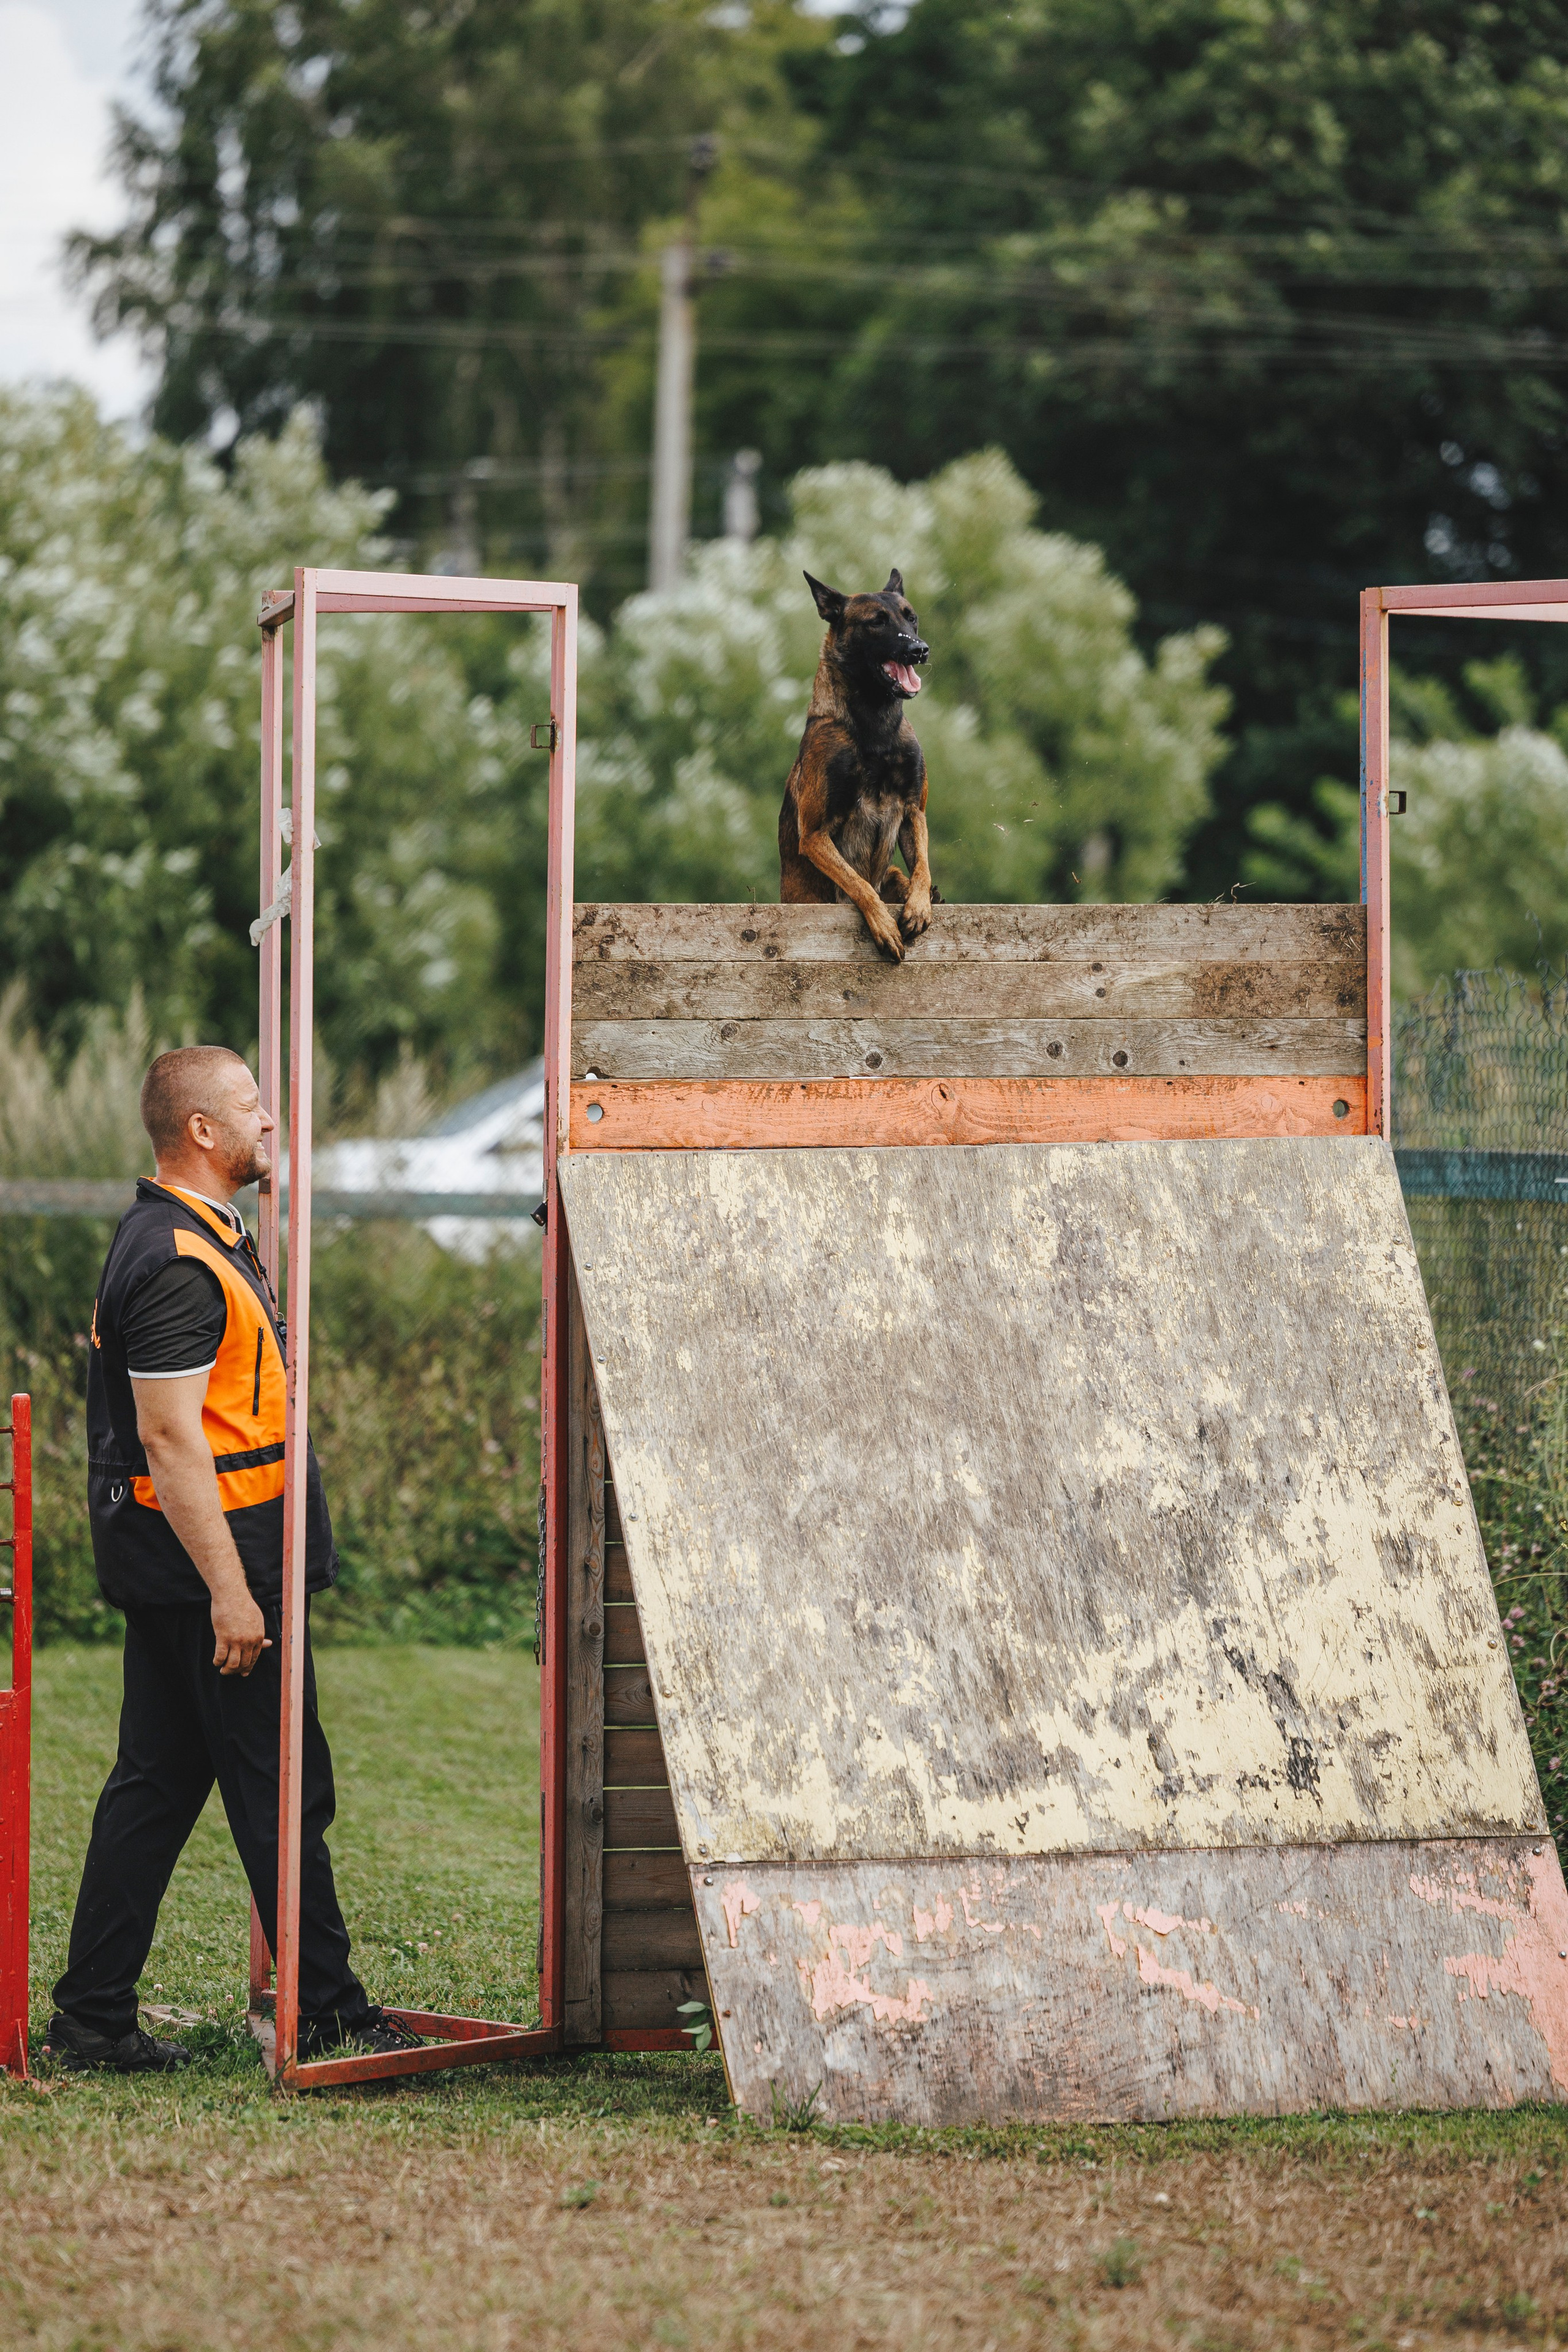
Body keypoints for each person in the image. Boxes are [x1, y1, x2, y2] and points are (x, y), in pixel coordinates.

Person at [45, 1046, 418, 2072]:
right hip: (213, 1577)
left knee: (156, 1789)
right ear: (201, 1133)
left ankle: (91, 2021)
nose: (271, 1121)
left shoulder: (196, 1236)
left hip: (195, 1572)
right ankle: (335, 2014)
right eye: (253, 1107)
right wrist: (232, 1595)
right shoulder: (175, 1259)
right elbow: (169, 1439)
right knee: (282, 1790)